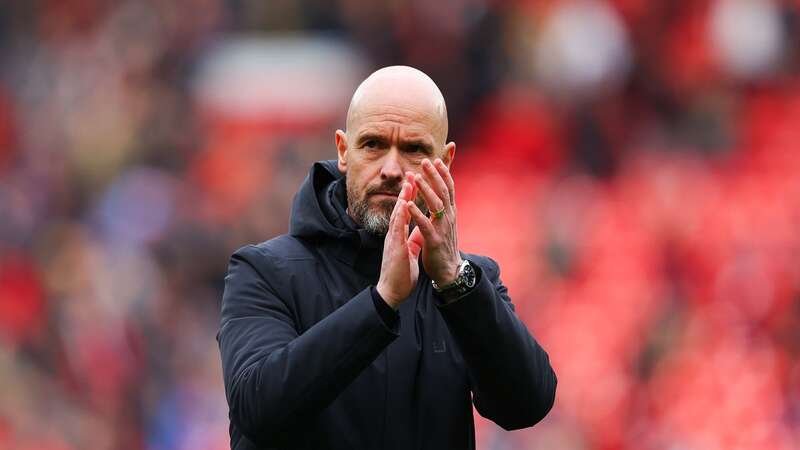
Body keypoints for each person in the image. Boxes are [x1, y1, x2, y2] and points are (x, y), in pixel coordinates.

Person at [217, 66, 557, 450]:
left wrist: (455, 283)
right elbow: (257, 409)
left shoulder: (469, 283)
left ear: (445, 160)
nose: (392, 169)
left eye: (414, 149)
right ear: (344, 151)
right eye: (373, 145)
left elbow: (527, 405)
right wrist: (380, 304)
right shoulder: (263, 272)